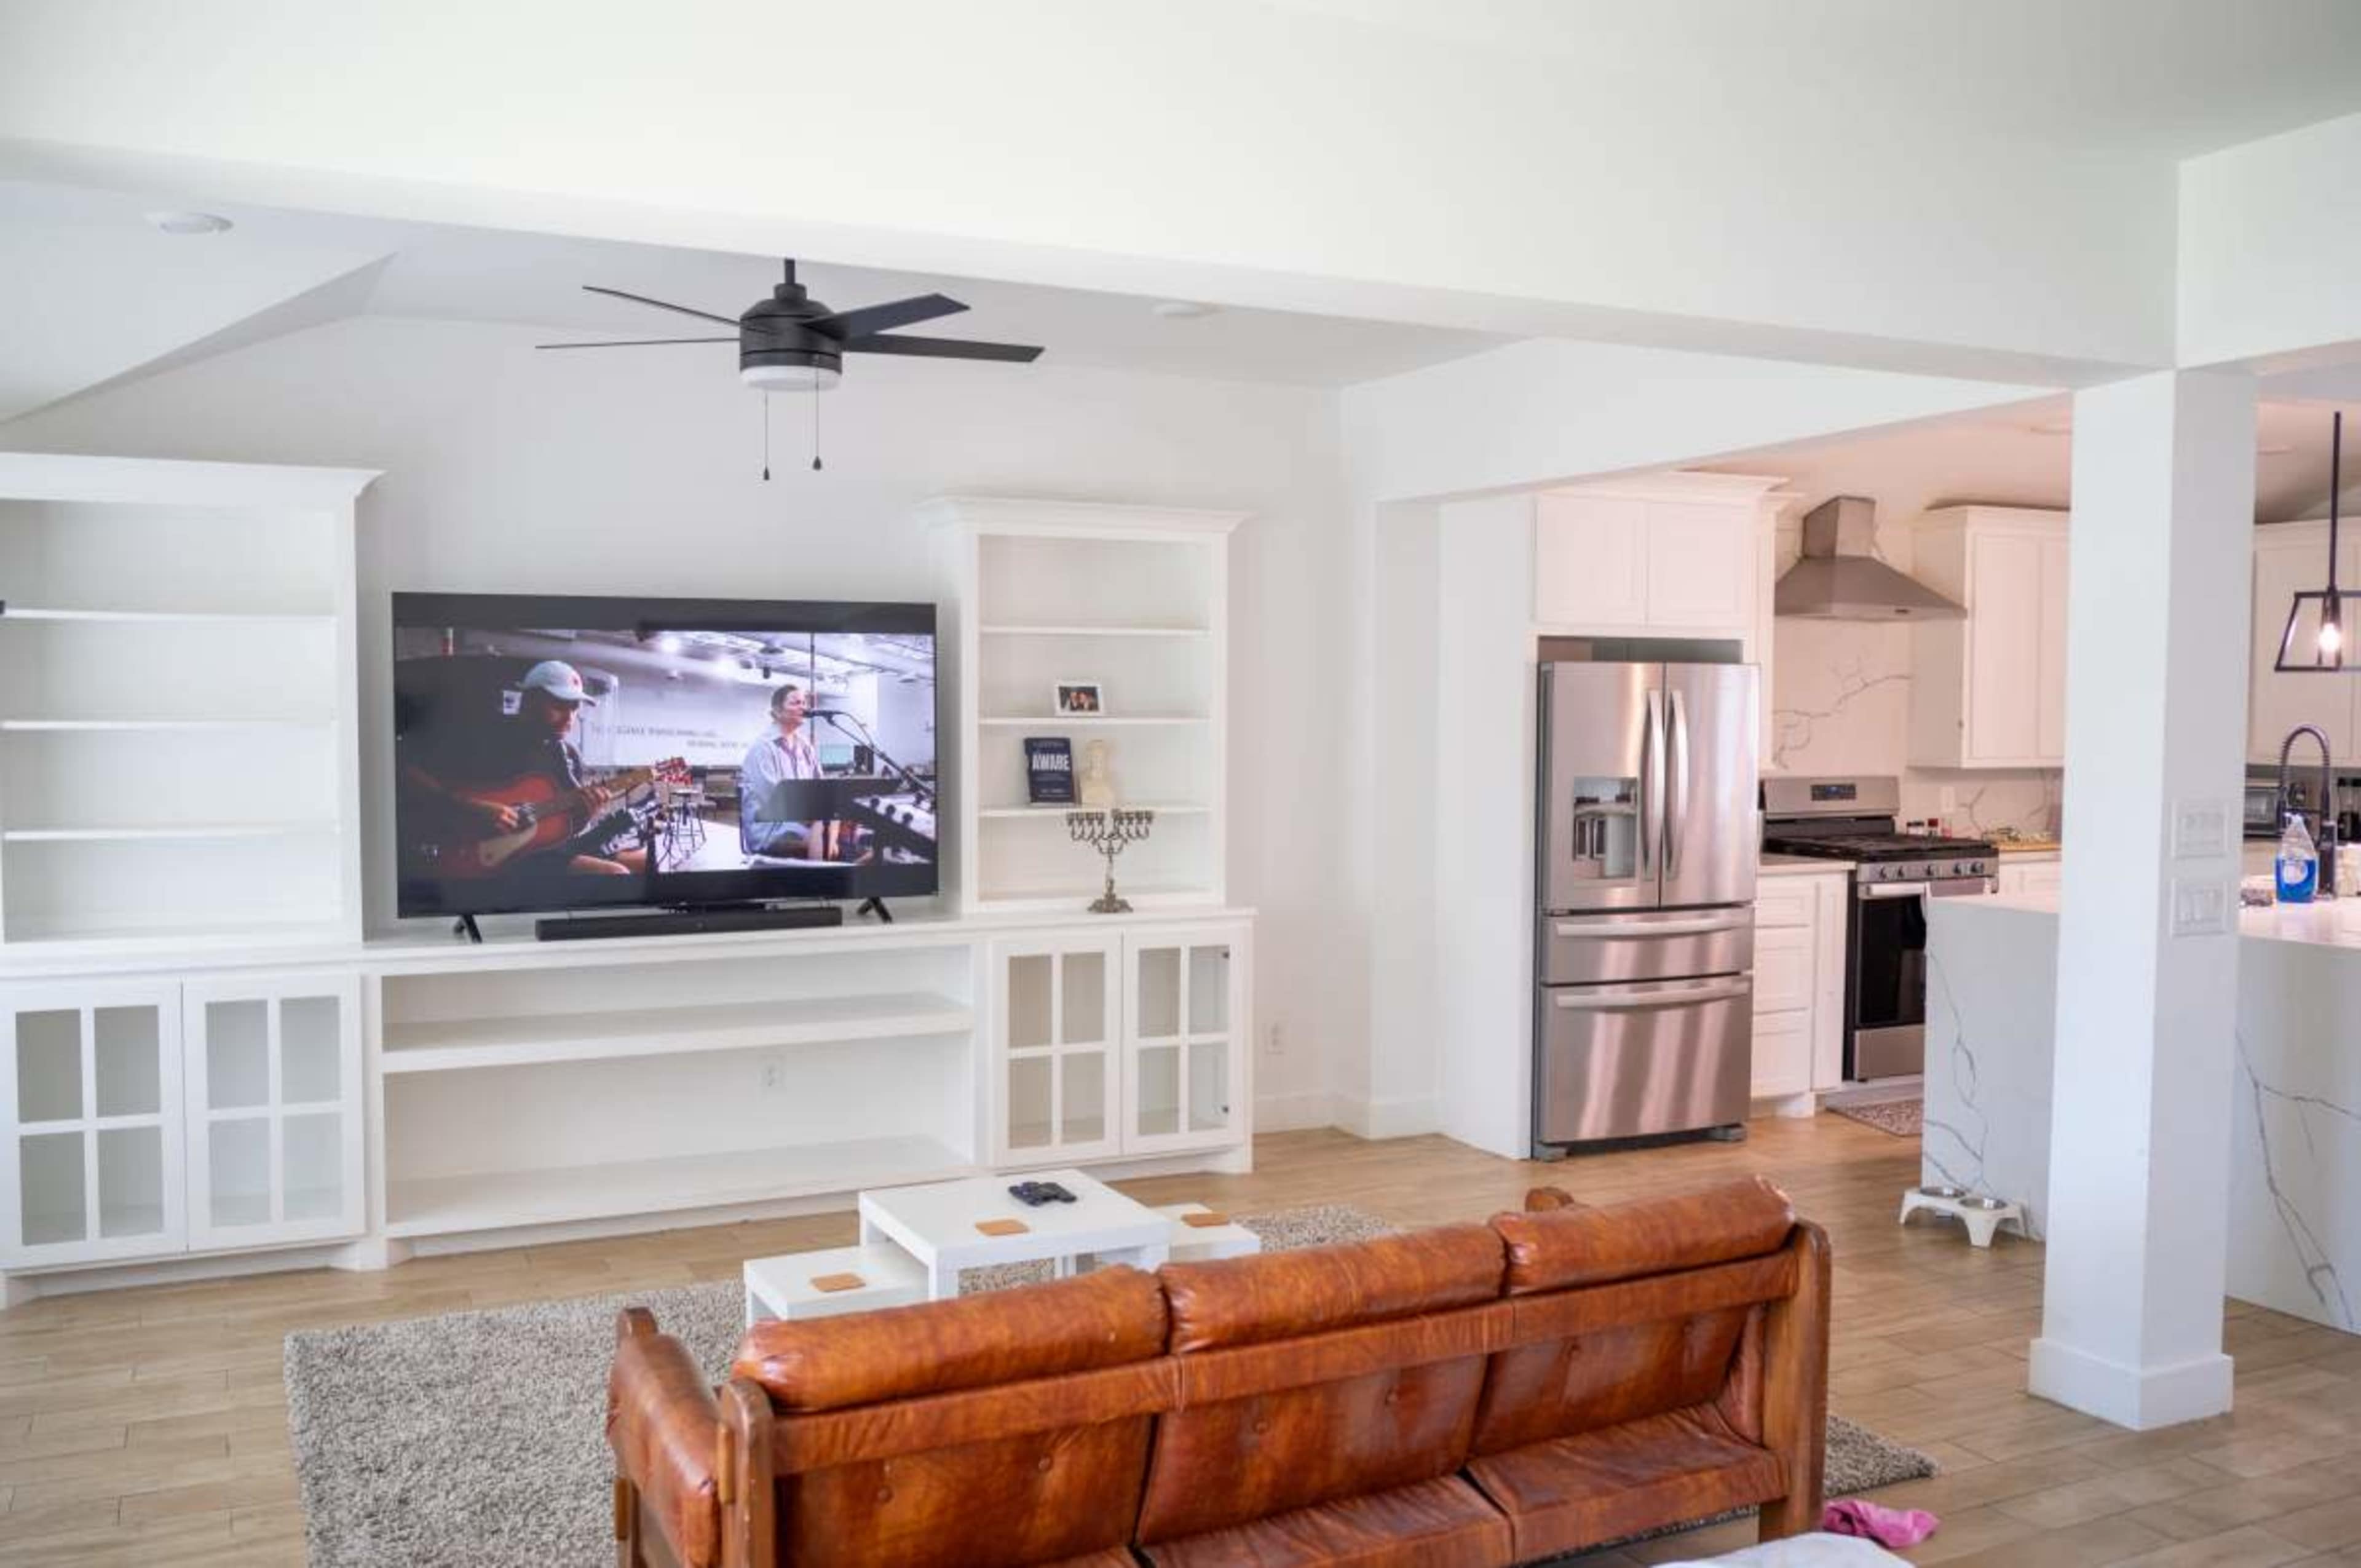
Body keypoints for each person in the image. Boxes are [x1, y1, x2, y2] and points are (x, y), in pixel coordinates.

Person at [406, 660, 647, 879]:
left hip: (543, 853)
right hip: (479, 857)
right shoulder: (483, 735)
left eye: (575, 708)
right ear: (530, 701)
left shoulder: (568, 756)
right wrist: (473, 807)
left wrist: (587, 814)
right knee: (616, 875)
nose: (569, 718)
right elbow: (408, 771)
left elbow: (567, 829)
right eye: (560, 706)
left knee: (642, 863)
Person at [738, 683, 829, 859]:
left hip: (803, 821)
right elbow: (776, 802)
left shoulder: (806, 747)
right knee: (826, 839)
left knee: (852, 835)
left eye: (804, 702)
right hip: (771, 830)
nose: (803, 707)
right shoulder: (762, 749)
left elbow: (822, 788)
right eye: (796, 703)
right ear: (778, 711)